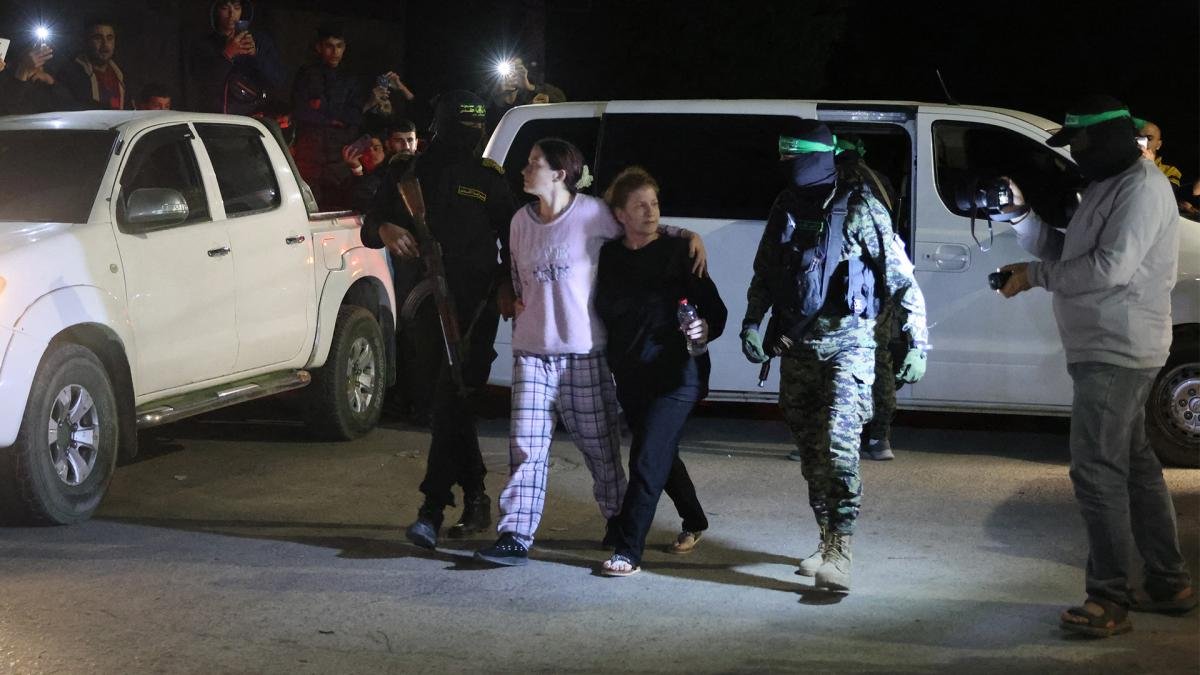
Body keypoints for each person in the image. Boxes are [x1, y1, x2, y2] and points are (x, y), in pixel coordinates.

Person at [996, 95, 1196, 638]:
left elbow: (1109, 269)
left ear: (1105, 141)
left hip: (1117, 349)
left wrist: (1035, 278)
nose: (1075, 159)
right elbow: (1072, 252)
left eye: (1078, 146)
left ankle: (1109, 598)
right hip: (1107, 345)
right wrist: (1022, 219)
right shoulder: (1111, 184)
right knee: (1134, 466)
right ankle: (1167, 582)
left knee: (1096, 471)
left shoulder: (1139, 187)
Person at [475, 138, 706, 567]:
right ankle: (515, 534)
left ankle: (618, 521)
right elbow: (513, 271)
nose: (525, 171)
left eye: (533, 164)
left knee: (599, 448)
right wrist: (508, 293)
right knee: (526, 446)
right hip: (531, 351)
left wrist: (686, 234)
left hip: (583, 353)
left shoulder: (593, 214)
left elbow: (641, 230)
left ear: (559, 173)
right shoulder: (519, 222)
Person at [740, 120, 927, 592]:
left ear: (819, 156)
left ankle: (842, 551)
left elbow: (901, 277)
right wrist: (751, 322)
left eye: (794, 155)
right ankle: (825, 540)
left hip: (851, 344)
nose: (787, 164)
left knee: (839, 447)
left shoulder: (859, 207)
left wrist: (918, 342)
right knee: (810, 452)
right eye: (783, 155)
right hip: (797, 345)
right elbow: (766, 271)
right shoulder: (786, 204)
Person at [361, 90, 515, 549]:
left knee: (453, 398)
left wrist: (508, 285)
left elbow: (514, 237)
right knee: (449, 403)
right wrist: (386, 230)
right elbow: (371, 225)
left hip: (477, 308)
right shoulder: (407, 171)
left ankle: (432, 507)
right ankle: (475, 497)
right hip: (424, 308)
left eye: (476, 127)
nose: (470, 136)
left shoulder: (488, 177)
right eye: (463, 126)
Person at [593, 167, 727, 576]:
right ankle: (695, 520)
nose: (650, 213)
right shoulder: (609, 256)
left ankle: (628, 550)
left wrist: (703, 328)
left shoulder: (681, 253)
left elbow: (716, 311)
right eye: (640, 206)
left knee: (647, 457)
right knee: (662, 454)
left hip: (679, 375)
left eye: (654, 204)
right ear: (620, 214)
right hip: (632, 376)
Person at [291, 22, 368, 209]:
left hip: (340, 159)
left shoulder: (351, 78)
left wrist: (322, 109)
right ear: (319, 47)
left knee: (340, 210)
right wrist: (331, 117)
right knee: (311, 211)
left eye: (339, 46)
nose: (335, 52)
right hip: (310, 157)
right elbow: (300, 111)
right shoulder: (307, 74)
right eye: (329, 46)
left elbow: (355, 114)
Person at [190, 0, 286, 116]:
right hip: (215, 117)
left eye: (236, 7)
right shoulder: (204, 44)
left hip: (253, 116)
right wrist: (227, 55)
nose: (232, 14)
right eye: (225, 8)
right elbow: (202, 84)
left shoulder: (259, 41)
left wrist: (256, 55)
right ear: (215, 10)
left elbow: (278, 80)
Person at [57, 18, 128, 110]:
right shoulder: (69, 75)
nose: (105, 44)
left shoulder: (121, 75)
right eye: (98, 38)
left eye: (109, 38)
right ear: (86, 41)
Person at [482, 56, 565, 134]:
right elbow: (487, 126)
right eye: (508, 68)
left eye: (517, 68)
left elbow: (562, 100)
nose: (512, 73)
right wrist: (497, 93)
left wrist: (530, 86)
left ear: (524, 71)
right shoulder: (488, 94)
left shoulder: (530, 93)